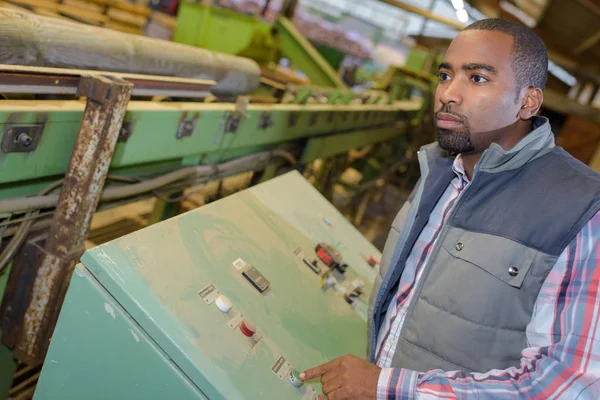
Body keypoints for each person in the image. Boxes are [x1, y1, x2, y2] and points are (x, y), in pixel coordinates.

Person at [300, 18, 600, 399]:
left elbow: (570, 385)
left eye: (477, 79)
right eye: (445, 75)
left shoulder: (582, 210)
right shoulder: (441, 171)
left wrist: (390, 387)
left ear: (528, 101)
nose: (449, 93)